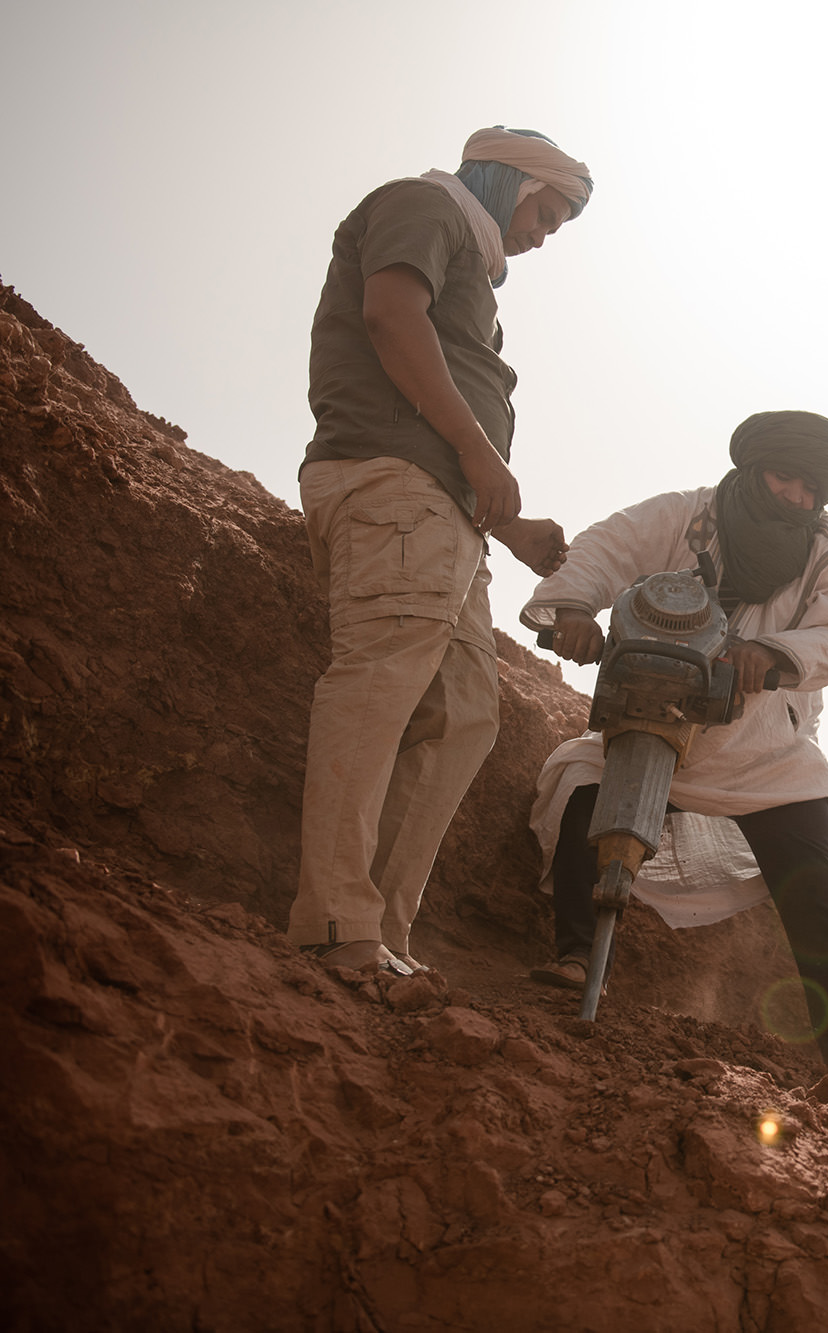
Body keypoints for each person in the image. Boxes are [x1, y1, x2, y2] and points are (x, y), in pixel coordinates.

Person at [287, 127, 590, 977]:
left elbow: (445, 400)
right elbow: (390, 314)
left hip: (444, 512)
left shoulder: (470, 260)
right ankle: (335, 923)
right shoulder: (425, 205)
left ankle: (381, 930)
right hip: (393, 485)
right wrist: (480, 452)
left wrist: (511, 527)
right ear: (511, 180)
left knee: (464, 713)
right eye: (545, 214)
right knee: (379, 680)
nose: (541, 237)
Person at [523, 410, 828, 1072]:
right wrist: (574, 610)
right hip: (650, 714)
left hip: (765, 752)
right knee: (584, 795)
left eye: (812, 489)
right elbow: (608, 548)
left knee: (817, 887)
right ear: (754, 468)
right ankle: (576, 958)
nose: (798, 496)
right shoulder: (689, 516)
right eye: (785, 477)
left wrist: (770, 654)